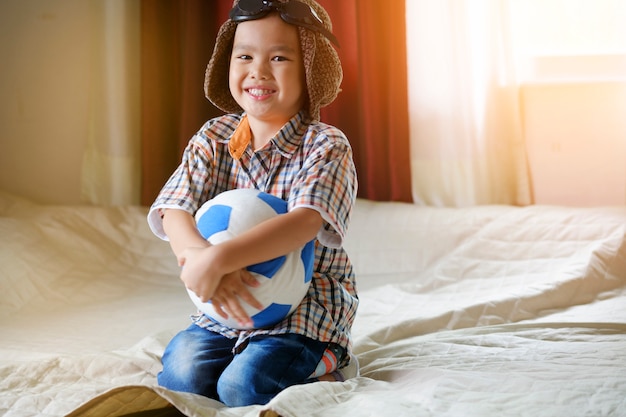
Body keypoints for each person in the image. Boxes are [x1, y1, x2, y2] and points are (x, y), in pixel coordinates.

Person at [146, 0, 359, 408]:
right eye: (245, 56)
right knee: (181, 377)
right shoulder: (213, 138)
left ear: (310, 71)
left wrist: (222, 256)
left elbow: (303, 223)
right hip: (227, 306)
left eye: (279, 57)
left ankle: (332, 360)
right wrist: (198, 257)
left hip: (303, 310)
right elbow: (174, 207)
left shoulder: (326, 145)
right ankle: (239, 350)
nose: (258, 71)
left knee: (243, 388)